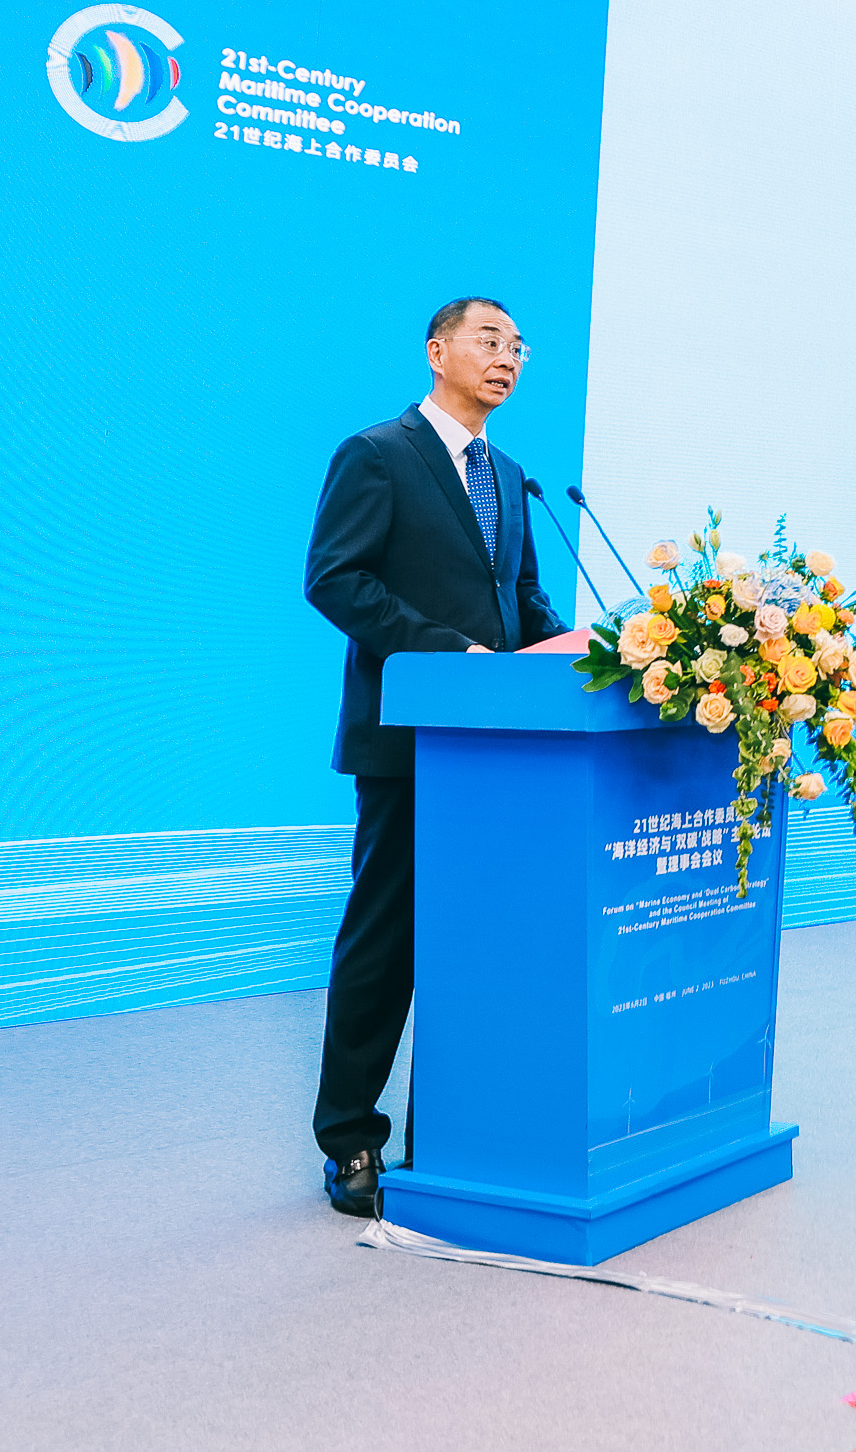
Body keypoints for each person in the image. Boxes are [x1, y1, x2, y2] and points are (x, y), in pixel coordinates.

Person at [301, 296, 557, 1217]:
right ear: (437, 350)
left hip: (499, 753)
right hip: (409, 743)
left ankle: (449, 1134)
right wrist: (451, 654)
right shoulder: (378, 454)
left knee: (481, 942)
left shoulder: (511, 475)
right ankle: (350, 1138)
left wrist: (593, 653)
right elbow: (335, 578)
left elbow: (521, 605)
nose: (507, 357)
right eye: (490, 340)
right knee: (385, 941)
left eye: (517, 346)